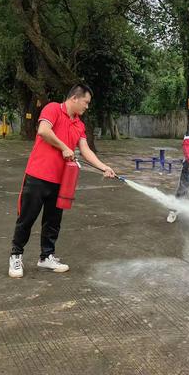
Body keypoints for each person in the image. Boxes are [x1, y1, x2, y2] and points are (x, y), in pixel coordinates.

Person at [8, 84, 116, 278]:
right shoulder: (53, 109)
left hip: (61, 180)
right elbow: (43, 130)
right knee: (27, 218)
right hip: (38, 176)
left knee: (53, 221)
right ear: (75, 98)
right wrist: (64, 147)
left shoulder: (79, 124)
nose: (87, 106)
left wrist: (104, 167)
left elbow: (85, 150)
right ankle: (16, 255)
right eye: (86, 102)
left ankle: (46, 257)